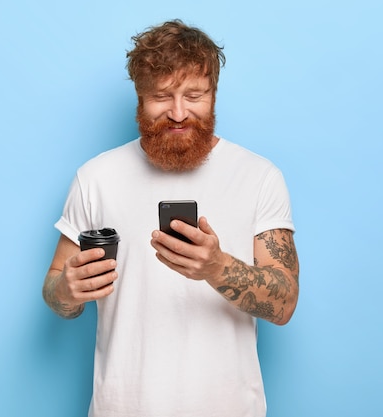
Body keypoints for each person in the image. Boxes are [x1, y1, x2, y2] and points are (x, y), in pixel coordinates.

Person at [42, 19, 300, 417]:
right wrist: (67, 291)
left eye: (194, 95)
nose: (178, 113)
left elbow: (284, 303)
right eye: (162, 96)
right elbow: (55, 293)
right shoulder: (96, 178)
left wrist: (216, 267)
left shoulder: (259, 177)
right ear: (140, 98)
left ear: (213, 94)